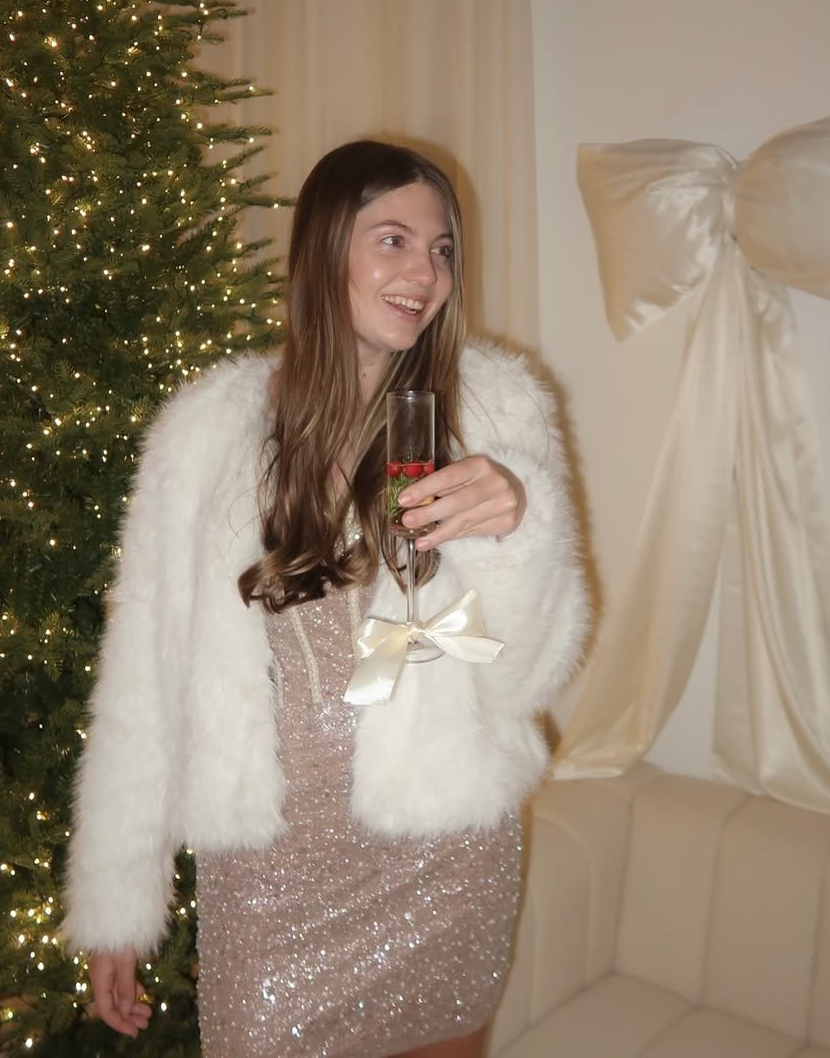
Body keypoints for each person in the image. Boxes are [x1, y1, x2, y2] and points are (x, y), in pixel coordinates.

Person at [61, 139, 589, 1057]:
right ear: (324, 248)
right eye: (393, 240)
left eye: (442, 249)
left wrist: (518, 531)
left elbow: (525, 681)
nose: (425, 273)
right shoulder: (205, 434)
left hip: (445, 855)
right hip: (271, 874)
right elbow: (144, 677)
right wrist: (119, 897)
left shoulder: (496, 412)